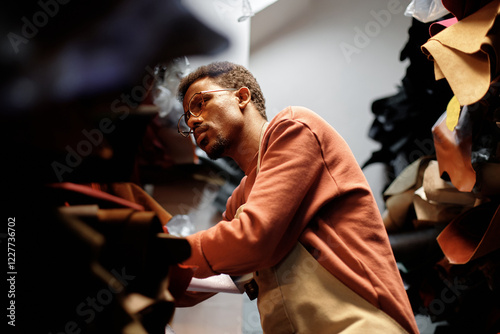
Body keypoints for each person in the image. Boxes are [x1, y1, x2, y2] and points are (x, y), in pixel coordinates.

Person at [175, 61, 419, 333]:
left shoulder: (294, 127)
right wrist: (146, 274)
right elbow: (216, 273)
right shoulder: (239, 201)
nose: (193, 121)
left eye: (199, 104)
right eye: (186, 118)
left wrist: (163, 251)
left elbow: (253, 237)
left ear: (241, 96)